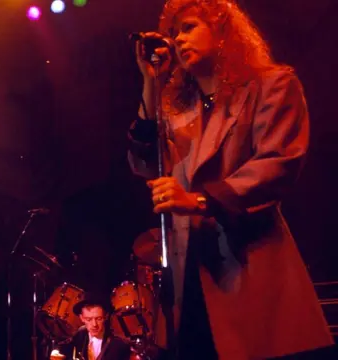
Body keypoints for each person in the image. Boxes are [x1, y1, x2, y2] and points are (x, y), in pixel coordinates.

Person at [128, 0, 333, 359]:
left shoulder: (272, 84)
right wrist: (150, 82)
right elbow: (146, 165)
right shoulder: (179, 111)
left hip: (246, 266)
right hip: (187, 271)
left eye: (189, 28)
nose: (178, 40)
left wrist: (199, 200)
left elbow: (278, 163)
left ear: (222, 31)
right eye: (175, 33)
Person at [50, 293, 131, 360]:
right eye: (89, 319)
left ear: (105, 317)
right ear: (81, 318)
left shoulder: (118, 344)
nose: (94, 324)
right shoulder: (80, 334)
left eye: (99, 318)